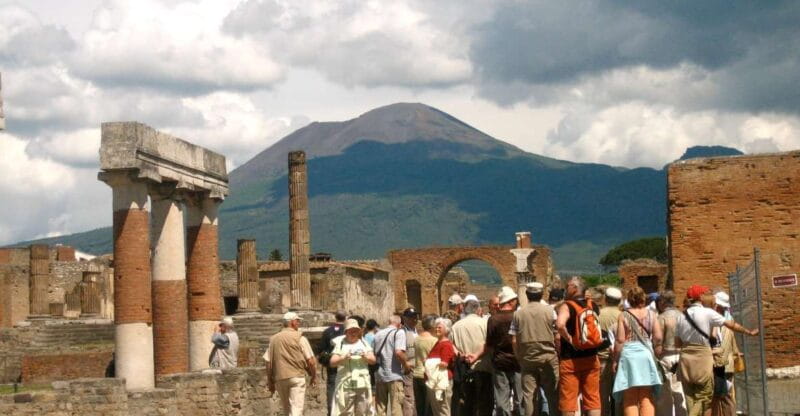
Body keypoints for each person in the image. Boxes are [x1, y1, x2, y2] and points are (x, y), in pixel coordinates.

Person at [675, 285, 758, 416]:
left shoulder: (680, 316)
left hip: (685, 358)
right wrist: (748, 332)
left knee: (690, 397)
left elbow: (677, 343)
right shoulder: (707, 313)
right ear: (701, 297)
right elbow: (731, 324)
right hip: (702, 357)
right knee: (705, 395)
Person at [612, 286, 663, 416]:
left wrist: (615, 360)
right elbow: (658, 337)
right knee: (646, 396)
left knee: (630, 397)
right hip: (646, 354)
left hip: (629, 355)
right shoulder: (652, 314)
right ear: (643, 298)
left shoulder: (623, 315)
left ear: (629, 299)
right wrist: (657, 351)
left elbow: (620, 340)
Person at [511, 281, 559, 416]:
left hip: (527, 357)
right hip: (548, 356)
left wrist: (519, 357)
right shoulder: (551, 311)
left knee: (529, 395)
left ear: (527, 294)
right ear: (542, 294)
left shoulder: (518, 314)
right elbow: (557, 335)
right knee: (552, 393)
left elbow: (514, 340)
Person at [556, 276, 602, 416]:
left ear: (575, 288)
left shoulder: (567, 306)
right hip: (591, 356)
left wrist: (569, 338)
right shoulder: (592, 305)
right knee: (593, 399)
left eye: (568, 285)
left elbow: (559, 324)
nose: (566, 288)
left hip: (570, 359)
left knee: (569, 401)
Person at [478, 286, 521, 416]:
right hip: (518, 362)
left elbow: (490, 344)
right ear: (512, 301)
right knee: (521, 399)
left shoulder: (493, 319)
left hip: (500, 362)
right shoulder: (518, 316)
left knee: (502, 400)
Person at [264, 312, 317, 416]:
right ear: (292, 322)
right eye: (298, 321)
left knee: (287, 409)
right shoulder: (300, 338)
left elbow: (268, 362)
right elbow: (311, 361)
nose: (299, 323)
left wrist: (270, 380)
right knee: (296, 409)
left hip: (280, 377)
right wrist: (313, 376)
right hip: (297, 376)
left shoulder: (273, 339)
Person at [451, 298, 494, 416]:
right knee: (484, 404)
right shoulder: (485, 323)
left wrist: (461, 354)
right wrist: (476, 356)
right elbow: (489, 344)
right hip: (483, 367)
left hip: (464, 368)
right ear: (478, 309)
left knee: (466, 404)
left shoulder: (456, 326)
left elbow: (451, 345)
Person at [330, 318, 377, 416]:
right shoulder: (341, 344)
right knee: (345, 413)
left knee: (363, 412)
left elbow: (373, 360)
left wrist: (366, 357)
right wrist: (343, 357)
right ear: (346, 332)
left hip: (362, 385)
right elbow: (332, 362)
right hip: (346, 385)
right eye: (351, 331)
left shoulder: (364, 343)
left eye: (355, 331)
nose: (353, 333)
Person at [655, 291, 687, 416]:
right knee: (680, 390)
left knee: (665, 392)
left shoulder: (661, 318)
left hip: (665, 356)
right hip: (681, 355)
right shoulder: (682, 316)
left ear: (662, 302)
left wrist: (656, 353)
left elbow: (658, 339)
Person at [374, 314, 412, 416]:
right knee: (396, 408)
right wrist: (406, 366)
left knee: (380, 409)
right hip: (394, 375)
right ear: (399, 324)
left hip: (380, 375)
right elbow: (399, 352)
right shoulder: (399, 332)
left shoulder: (378, 334)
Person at [710, 291, 740, 416]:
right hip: (727, 363)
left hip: (719, 365)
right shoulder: (728, 320)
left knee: (719, 398)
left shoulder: (715, 322)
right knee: (726, 397)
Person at [598, 287, 621, 416]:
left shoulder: (598, 314)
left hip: (601, 358)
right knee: (619, 394)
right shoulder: (622, 315)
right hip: (618, 360)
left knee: (602, 395)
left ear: (605, 299)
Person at [426, 318, 457, 416]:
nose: (436, 329)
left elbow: (444, 363)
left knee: (442, 411)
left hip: (442, 382)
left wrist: (429, 363)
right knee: (438, 411)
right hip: (437, 381)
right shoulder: (439, 343)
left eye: (439, 327)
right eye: (436, 327)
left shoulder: (446, 345)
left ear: (446, 329)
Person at [320, 311, 348, 416]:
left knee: (332, 387)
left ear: (335, 318)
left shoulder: (327, 331)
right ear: (345, 318)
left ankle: (331, 411)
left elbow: (321, 349)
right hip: (345, 363)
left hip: (332, 364)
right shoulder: (347, 331)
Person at [414, 315, 439, 416]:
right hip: (429, 375)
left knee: (420, 406)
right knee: (430, 408)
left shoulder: (416, 339)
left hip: (416, 374)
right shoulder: (434, 340)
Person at [401, 308, 419, 416]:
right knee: (409, 398)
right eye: (412, 317)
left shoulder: (417, 332)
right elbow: (399, 351)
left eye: (416, 317)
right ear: (405, 318)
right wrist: (405, 364)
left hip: (419, 368)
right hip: (409, 370)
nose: (415, 319)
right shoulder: (402, 332)